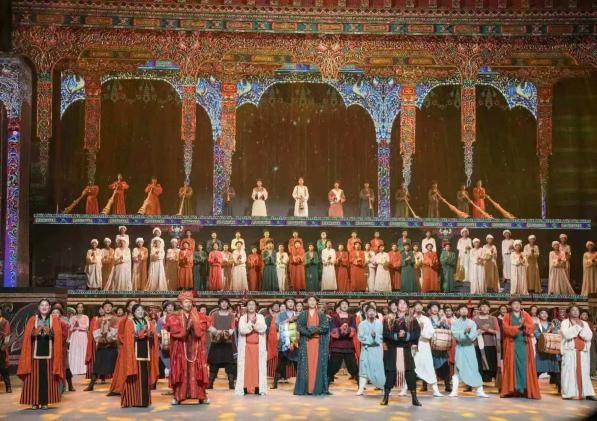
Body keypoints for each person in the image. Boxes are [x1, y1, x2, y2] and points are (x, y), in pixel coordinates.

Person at [17, 299, 64, 410]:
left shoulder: (54, 319)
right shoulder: (33, 319)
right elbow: (27, 336)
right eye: (42, 305)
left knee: (47, 379)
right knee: (33, 379)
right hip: (34, 355)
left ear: (49, 308)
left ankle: (45, 402)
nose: (44, 307)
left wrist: (49, 332)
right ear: (39, 307)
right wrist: (35, 332)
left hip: (49, 355)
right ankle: (34, 402)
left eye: (46, 305)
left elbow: (58, 336)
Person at [165, 291, 210, 405]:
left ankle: (201, 396)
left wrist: (194, 325)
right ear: (181, 304)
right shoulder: (174, 316)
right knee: (181, 371)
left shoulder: (199, 316)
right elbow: (173, 331)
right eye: (185, 302)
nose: (188, 304)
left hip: (195, 348)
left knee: (197, 371)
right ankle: (178, 396)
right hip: (181, 348)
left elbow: (202, 329)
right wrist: (186, 328)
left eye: (190, 302)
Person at [381, 299, 421, 406]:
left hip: (406, 349)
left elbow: (417, 333)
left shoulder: (412, 319)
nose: (403, 305)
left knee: (410, 372)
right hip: (393, 349)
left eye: (405, 304)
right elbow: (385, 334)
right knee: (391, 373)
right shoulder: (388, 318)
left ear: (407, 306)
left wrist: (406, 335)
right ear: (396, 305)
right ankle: (385, 397)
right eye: (400, 303)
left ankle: (414, 398)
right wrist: (397, 336)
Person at [500, 299, 541, 399]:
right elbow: (506, 329)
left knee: (524, 366)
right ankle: (513, 389)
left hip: (524, 344)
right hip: (512, 344)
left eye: (518, 304)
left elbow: (532, 327)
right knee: (512, 365)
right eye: (514, 304)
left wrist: (524, 325)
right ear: (511, 306)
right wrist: (519, 326)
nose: (517, 305)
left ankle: (525, 389)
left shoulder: (525, 315)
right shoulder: (507, 316)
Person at [121, 304, 159, 408]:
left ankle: (144, 401)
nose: (140, 312)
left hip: (146, 354)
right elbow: (129, 337)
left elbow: (154, 334)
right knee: (133, 377)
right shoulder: (130, 322)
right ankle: (131, 400)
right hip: (134, 354)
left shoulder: (148, 322)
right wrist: (141, 334)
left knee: (144, 377)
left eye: (142, 310)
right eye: (138, 310)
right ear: (133, 312)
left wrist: (150, 334)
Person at [449, 304, 489, 398]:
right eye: (462, 309)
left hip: (470, 348)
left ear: (468, 311)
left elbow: (473, 337)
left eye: (465, 309)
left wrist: (471, 333)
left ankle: (480, 391)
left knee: (474, 368)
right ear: (458, 311)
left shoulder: (472, 323)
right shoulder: (455, 323)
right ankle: (454, 391)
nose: (464, 311)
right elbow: (455, 335)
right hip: (460, 348)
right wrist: (464, 332)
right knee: (458, 369)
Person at [294, 296, 330, 396]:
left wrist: (313, 330)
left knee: (317, 365)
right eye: (310, 300)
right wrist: (308, 332)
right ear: (307, 302)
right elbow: (299, 326)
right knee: (306, 365)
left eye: (314, 300)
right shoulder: (303, 314)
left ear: (317, 302)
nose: (312, 302)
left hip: (318, 344)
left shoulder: (321, 315)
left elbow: (325, 327)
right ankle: (306, 389)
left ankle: (317, 389)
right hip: (306, 343)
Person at [560, 305, 595, 400]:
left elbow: (589, 336)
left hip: (582, 352)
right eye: (573, 310)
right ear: (569, 312)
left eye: (577, 310)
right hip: (570, 351)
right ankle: (568, 394)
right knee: (568, 373)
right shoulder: (565, 322)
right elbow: (566, 334)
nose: (575, 312)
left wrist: (580, 330)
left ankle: (587, 393)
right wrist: (578, 327)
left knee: (585, 373)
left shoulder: (584, 323)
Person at [234, 300, 267, 396]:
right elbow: (242, 330)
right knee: (246, 368)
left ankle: (258, 387)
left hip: (257, 346)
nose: (251, 306)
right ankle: (244, 387)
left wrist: (254, 326)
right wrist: (250, 325)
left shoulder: (260, 317)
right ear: (246, 307)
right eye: (249, 304)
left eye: (253, 304)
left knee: (257, 368)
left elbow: (263, 328)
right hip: (246, 347)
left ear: (256, 306)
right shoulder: (243, 318)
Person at [84, 301, 118, 391]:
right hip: (101, 346)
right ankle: (91, 385)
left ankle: (117, 386)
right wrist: (101, 338)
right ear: (103, 308)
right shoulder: (98, 320)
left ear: (112, 308)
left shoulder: (115, 319)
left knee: (115, 366)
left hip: (112, 346)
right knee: (97, 365)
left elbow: (117, 331)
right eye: (106, 306)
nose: (108, 308)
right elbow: (95, 331)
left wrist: (109, 335)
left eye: (109, 306)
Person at [412, 301, 443, 397]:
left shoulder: (426, 319)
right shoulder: (410, 319)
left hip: (424, 345)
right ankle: (405, 389)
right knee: (411, 367)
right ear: (413, 308)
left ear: (422, 308)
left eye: (420, 306)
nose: (418, 308)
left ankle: (436, 390)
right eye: (416, 306)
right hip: (413, 346)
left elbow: (429, 334)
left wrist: (421, 330)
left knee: (429, 366)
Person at [207, 298, 236, 390]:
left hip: (227, 343)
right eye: (222, 302)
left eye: (225, 303)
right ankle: (210, 382)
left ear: (228, 304)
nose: (224, 304)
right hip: (216, 342)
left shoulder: (231, 315)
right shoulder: (214, 314)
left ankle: (231, 383)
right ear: (219, 304)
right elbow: (210, 326)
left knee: (229, 364)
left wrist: (227, 332)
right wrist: (216, 332)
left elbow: (232, 327)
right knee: (214, 363)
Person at [356, 305, 385, 395]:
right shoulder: (362, 324)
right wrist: (370, 337)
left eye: (373, 311)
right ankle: (361, 388)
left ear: (376, 313)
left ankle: (383, 387)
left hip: (376, 349)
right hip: (366, 349)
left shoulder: (379, 324)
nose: (371, 313)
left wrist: (375, 337)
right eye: (369, 311)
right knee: (364, 368)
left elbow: (381, 336)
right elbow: (360, 336)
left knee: (378, 369)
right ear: (366, 313)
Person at [327, 300, 358, 385]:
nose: (344, 305)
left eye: (346, 304)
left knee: (353, 366)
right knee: (333, 366)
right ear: (339, 306)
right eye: (342, 304)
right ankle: (326, 384)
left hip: (348, 345)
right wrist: (341, 330)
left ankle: (360, 384)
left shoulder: (352, 317)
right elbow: (332, 330)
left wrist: (347, 330)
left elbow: (354, 329)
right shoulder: (334, 317)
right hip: (337, 345)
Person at [273, 299, 299, 389]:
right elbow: (277, 326)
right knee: (280, 363)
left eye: (292, 302)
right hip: (284, 342)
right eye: (288, 302)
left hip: (295, 342)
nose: (290, 304)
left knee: (297, 363)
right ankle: (275, 383)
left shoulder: (297, 314)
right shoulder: (281, 315)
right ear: (285, 304)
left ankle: (299, 384)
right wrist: (289, 320)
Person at [473, 300, 501, 385]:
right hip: (478, 345)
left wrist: (487, 330)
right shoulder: (475, 319)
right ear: (479, 308)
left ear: (489, 308)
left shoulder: (493, 318)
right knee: (479, 363)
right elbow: (473, 332)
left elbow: (498, 332)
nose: (484, 308)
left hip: (491, 344)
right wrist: (480, 331)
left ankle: (494, 381)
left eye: (486, 306)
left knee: (492, 363)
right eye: (482, 306)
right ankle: (479, 383)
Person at [534, 308, 561, 393]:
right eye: (542, 313)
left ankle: (561, 389)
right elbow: (538, 336)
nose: (544, 315)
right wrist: (550, 330)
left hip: (552, 351)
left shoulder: (552, 324)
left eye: (546, 313)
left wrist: (554, 329)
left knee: (556, 372)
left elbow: (556, 334)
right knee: (537, 371)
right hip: (541, 351)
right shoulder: (536, 325)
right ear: (538, 315)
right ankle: (533, 389)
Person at [428, 302, 451, 393]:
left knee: (445, 365)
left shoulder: (443, 317)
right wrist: (438, 324)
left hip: (442, 344)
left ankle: (447, 385)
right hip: (432, 345)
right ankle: (426, 385)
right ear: (430, 309)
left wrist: (444, 323)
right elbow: (429, 330)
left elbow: (448, 328)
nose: (435, 309)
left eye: (436, 307)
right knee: (430, 365)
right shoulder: (428, 319)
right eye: (433, 307)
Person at [68, 303, 89, 376]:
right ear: (76, 308)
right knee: (74, 351)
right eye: (78, 307)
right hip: (75, 335)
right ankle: (74, 369)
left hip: (82, 335)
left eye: (81, 307)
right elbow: (70, 328)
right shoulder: (72, 318)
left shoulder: (85, 317)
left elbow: (86, 326)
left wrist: (79, 324)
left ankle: (83, 369)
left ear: (83, 308)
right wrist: (74, 325)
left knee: (83, 350)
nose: (80, 309)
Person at [0, 308, 11, 394]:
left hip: (1, 348)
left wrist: (4, 347)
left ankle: (8, 386)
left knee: (3, 368)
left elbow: (7, 336)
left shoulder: (4, 322)